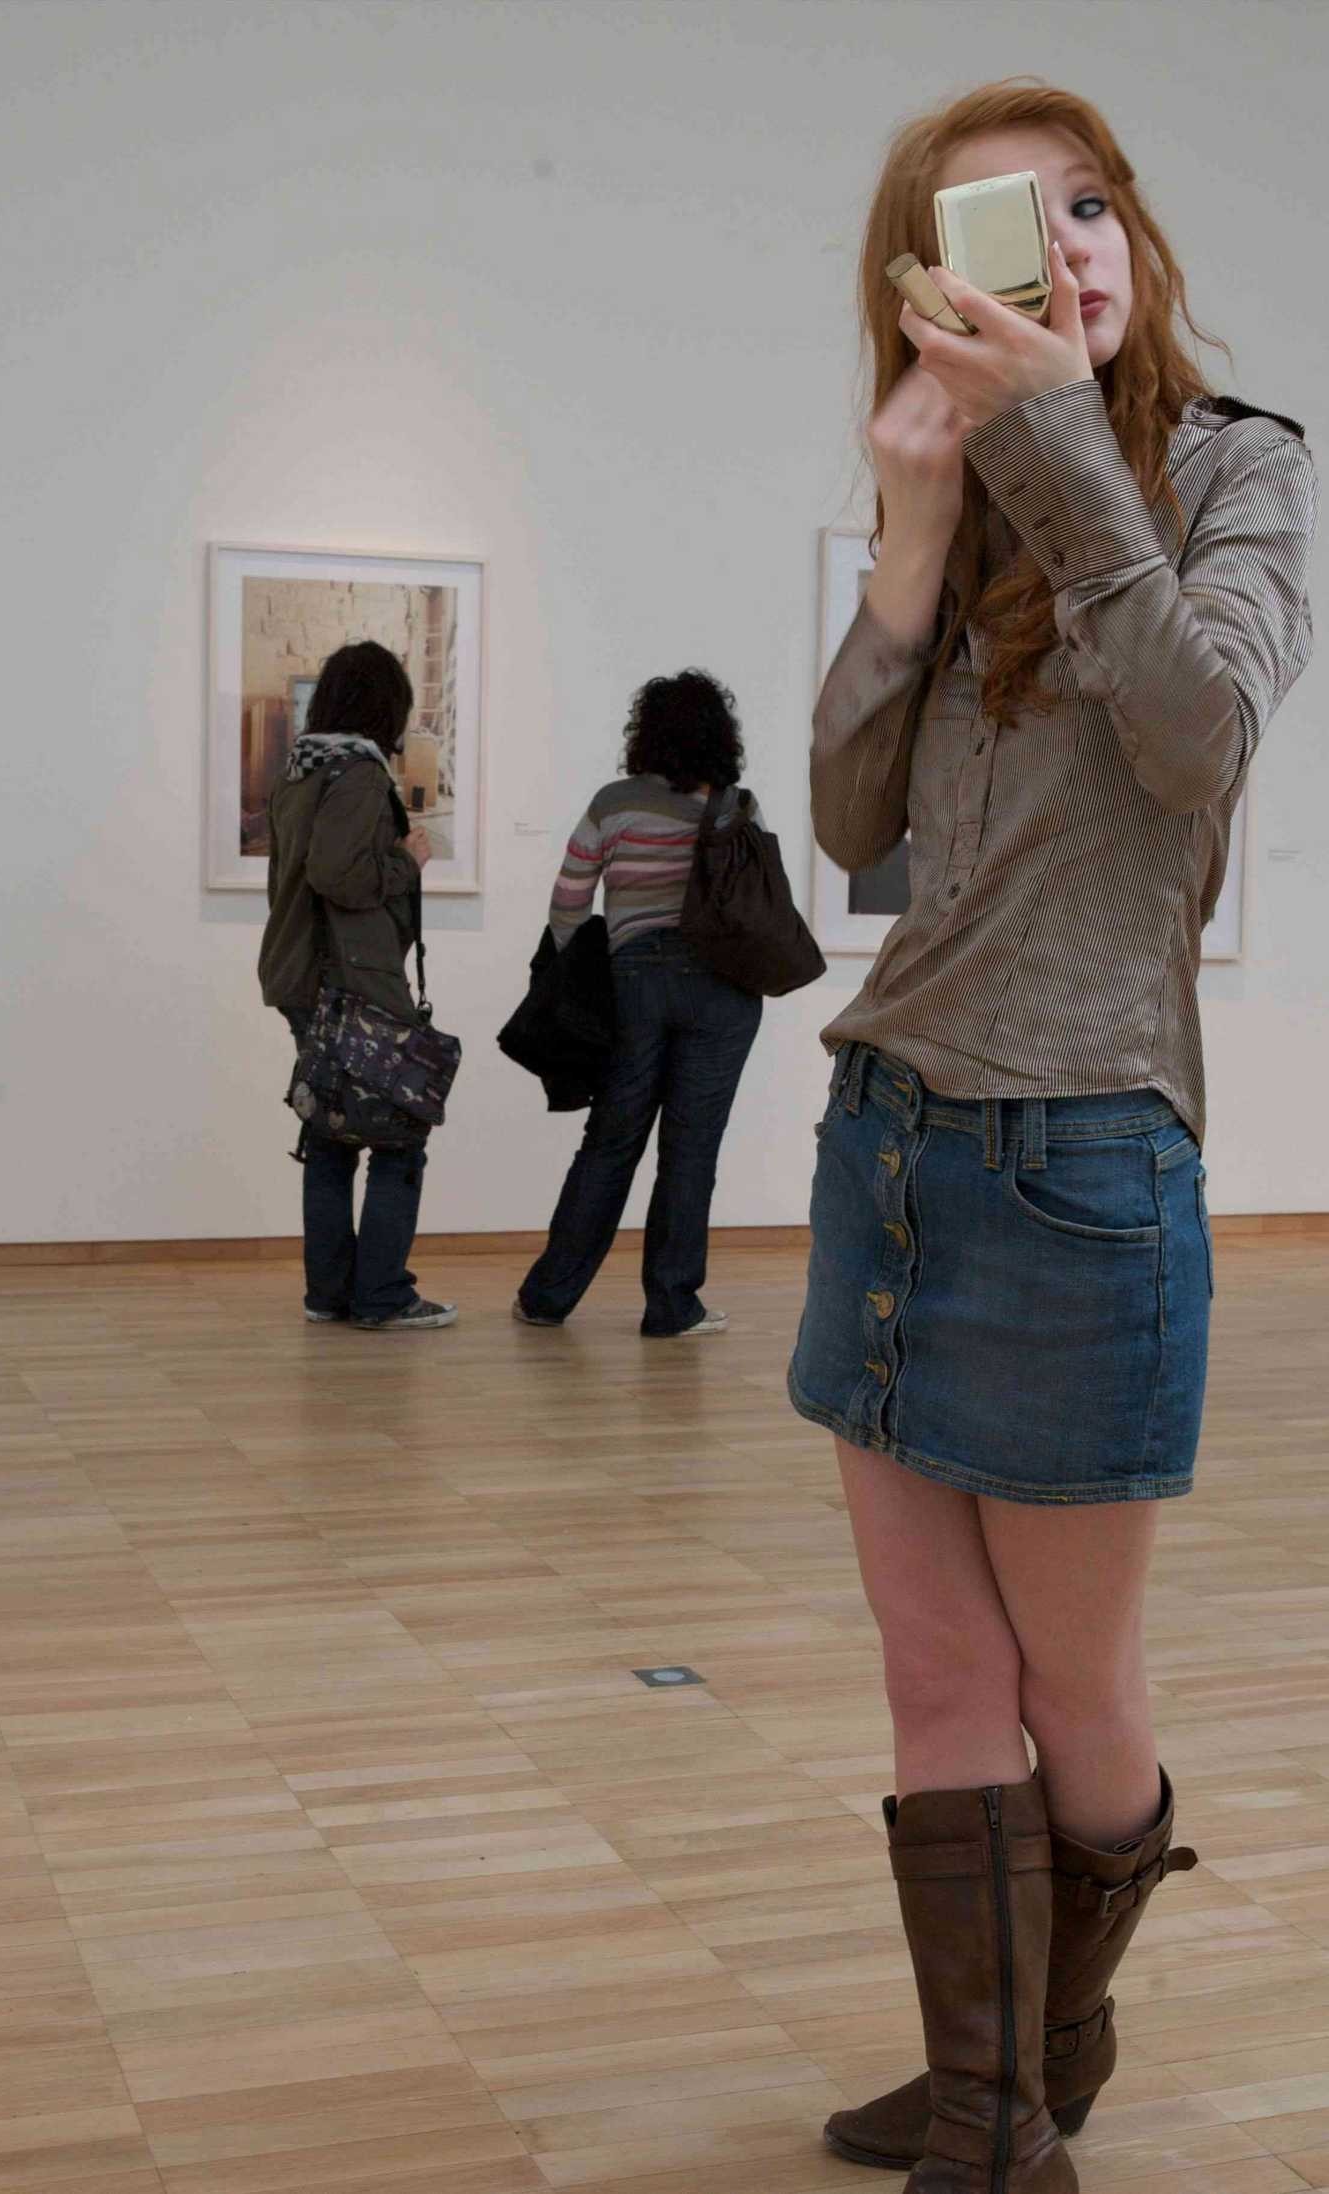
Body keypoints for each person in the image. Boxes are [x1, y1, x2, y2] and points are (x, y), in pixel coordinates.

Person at [789, 83, 1316, 2194]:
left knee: (1077, 1690)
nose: (1064, 249)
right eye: (1000, 229)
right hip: (887, 1139)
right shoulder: (968, 506)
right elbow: (848, 823)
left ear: (1131, 235)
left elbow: (1194, 738)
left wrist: (1065, 452)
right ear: (930, 291)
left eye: (1082, 205)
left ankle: (1046, 2040)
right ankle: (991, 2112)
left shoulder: (1235, 470)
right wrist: (915, 531)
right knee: (935, 1664)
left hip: (1084, 1161)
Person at [516, 670, 764, 1337]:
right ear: (721, 735)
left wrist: (581, 975)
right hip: (722, 990)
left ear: (644, 733)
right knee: (692, 1150)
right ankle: (672, 1308)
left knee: (610, 1141)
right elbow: (761, 904)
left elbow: (568, 902)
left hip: (635, 984)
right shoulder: (735, 807)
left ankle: (546, 1298)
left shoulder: (613, 803)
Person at [257, 641, 456, 1331]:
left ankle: (330, 1293)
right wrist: (407, 861)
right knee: (399, 1136)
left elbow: (297, 878)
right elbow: (337, 875)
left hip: (300, 973)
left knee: (332, 1133)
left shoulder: (300, 772)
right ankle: (381, 1296)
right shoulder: (361, 775)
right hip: (351, 979)